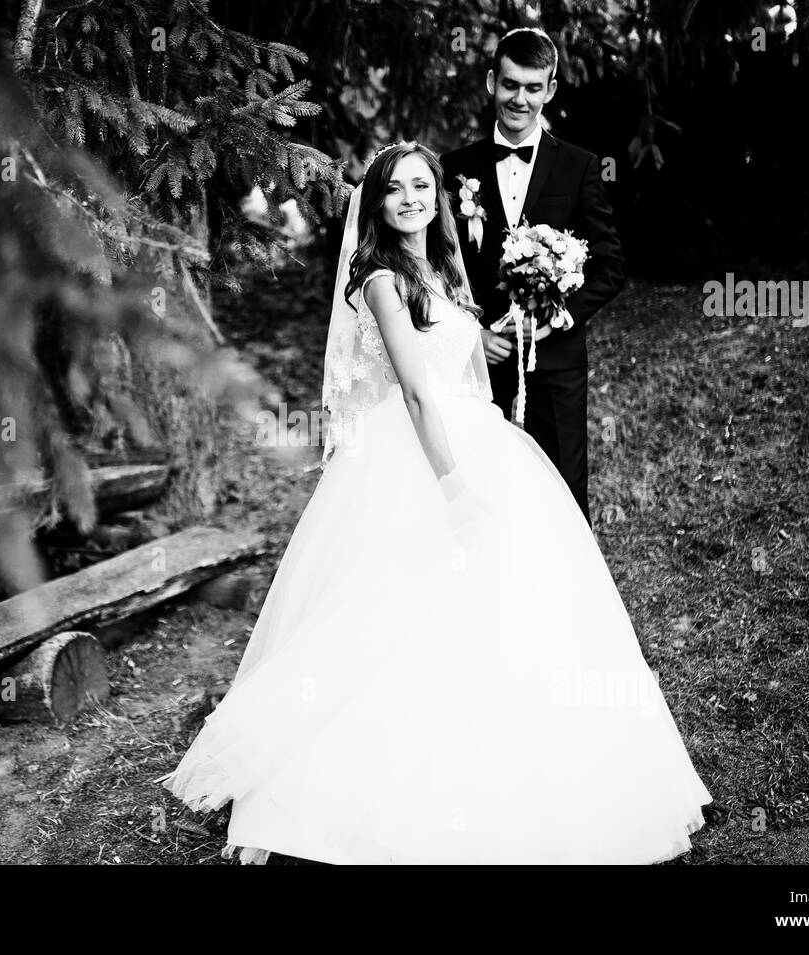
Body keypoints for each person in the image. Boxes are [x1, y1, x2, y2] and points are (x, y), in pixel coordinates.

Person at [157, 141, 710, 864]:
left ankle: (516, 763)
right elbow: (417, 390)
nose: (411, 198)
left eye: (422, 185)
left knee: (505, 603)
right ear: (378, 204)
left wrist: (504, 328)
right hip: (417, 451)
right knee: (394, 612)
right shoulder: (382, 277)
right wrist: (452, 482)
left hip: (476, 433)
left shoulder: (442, 270)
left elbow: (459, 362)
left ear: (437, 195)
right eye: (395, 189)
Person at [443, 27, 626, 525]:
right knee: (485, 498)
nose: (518, 99)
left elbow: (611, 267)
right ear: (490, 83)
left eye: (531, 87)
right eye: (509, 85)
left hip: (557, 366)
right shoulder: (454, 169)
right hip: (480, 370)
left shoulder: (580, 167)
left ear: (550, 90)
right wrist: (470, 335)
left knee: (563, 499)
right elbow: (436, 271)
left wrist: (560, 320)